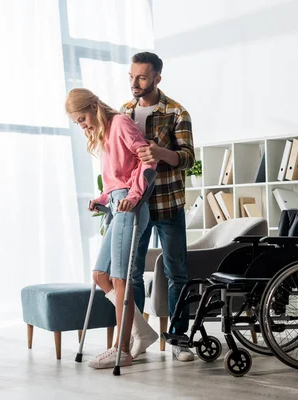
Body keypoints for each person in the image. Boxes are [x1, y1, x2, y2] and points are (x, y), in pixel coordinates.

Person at [65, 88, 159, 369]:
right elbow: (116, 180)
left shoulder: (120, 124)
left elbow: (147, 162)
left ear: (94, 106)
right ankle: (141, 331)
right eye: (78, 123)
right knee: (100, 274)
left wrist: (133, 196)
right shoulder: (105, 133)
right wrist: (102, 198)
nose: (83, 126)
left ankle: (122, 349)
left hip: (131, 206)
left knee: (121, 278)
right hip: (117, 204)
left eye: (82, 119)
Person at [120, 52, 196, 362]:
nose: (134, 83)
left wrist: (161, 153)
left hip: (168, 204)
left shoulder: (177, 112)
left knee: (177, 273)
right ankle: (139, 336)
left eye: (141, 77)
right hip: (136, 205)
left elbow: (188, 158)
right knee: (132, 273)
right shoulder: (122, 113)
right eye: (131, 76)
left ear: (156, 78)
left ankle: (179, 340)